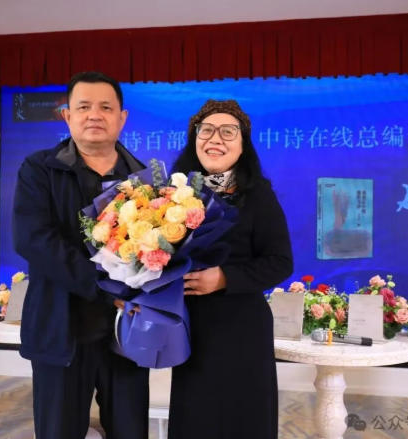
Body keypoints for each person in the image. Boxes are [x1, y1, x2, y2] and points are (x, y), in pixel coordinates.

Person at [12, 71, 149, 439]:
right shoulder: (39, 169)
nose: (94, 115)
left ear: (122, 117)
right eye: (84, 107)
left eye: (106, 107)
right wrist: (104, 286)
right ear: (67, 115)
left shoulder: (143, 179)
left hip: (127, 334)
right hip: (60, 329)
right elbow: (33, 240)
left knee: (131, 431)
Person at [167, 99, 294, 439]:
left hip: (241, 331)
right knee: (195, 421)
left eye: (228, 132)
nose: (215, 139)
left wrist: (224, 278)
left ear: (242, 144)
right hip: (191, 330)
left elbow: (280, 262)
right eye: (206, 130)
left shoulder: (258, 195)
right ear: (194, 139)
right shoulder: (174, 194)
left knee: (242, 421)